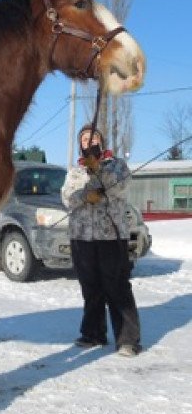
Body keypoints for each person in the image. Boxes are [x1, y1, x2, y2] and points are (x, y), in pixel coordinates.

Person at [61, 124, 142, 357]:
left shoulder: (117, 165)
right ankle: (93, 333)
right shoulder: (75, 171)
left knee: (117, 286)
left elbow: (119, 187)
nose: (88, 142)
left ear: (101, 141)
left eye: (93, 137)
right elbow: (67, 197)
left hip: (111, 236)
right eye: (84, 139)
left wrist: (98, 169)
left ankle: (128, 339)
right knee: (90, 287)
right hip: (82, 237)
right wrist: (84, 195)